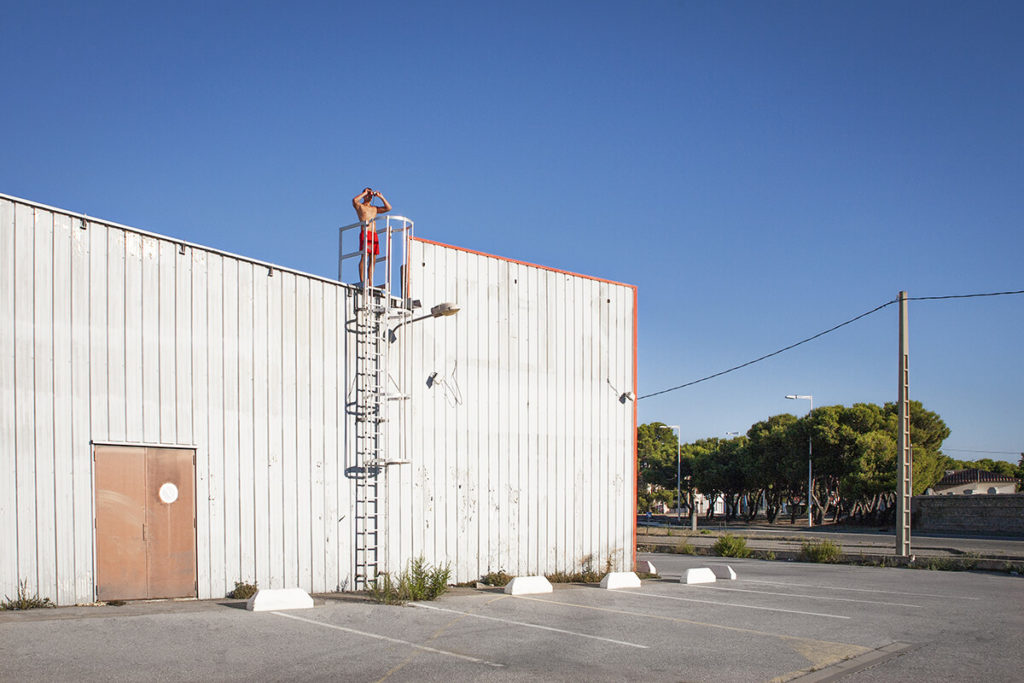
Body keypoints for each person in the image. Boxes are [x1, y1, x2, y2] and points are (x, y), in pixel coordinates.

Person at [352, 187, 392, 286]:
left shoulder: (374, 208)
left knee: (373, 259)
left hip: (374, 234)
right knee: (364, 256)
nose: (369, 196)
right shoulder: (360, 206)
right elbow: (354, 200)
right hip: (365, 233)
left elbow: (388, 208)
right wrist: (365, 193)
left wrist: (381, 196)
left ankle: (370, 281)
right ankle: (362, 280)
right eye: (368, 194)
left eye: (370, 194)